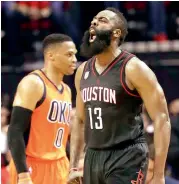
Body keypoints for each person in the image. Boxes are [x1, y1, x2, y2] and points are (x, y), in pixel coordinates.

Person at [68, 7, 171, 184]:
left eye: (102, 20)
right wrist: (74, 165)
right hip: (93, 154)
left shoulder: (133, 68)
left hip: (127, 155)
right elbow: (79, 119)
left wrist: (159, 174)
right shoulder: (82, 70)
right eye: (93, 19)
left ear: (116, 33)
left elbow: (162, 119)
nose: (94, 22)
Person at [7, 33, 77, 184]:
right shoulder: (33, 83)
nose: (74, 60)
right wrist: (23, 174)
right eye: (69, 55)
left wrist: (71, 165)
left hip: (59, 164)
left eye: (75, 55)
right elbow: (15, 131)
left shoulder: (66, 89)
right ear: (51, 56)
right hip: (32, 165)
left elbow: (61, 136)